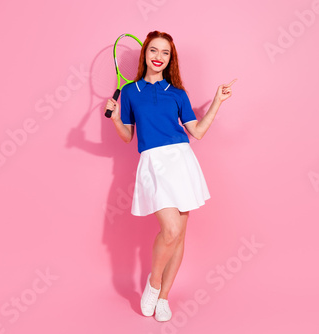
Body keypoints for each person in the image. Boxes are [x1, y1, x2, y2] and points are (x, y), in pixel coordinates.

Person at [105, 30, 236, 322]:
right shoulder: (130, 92)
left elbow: (197, 132)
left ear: (170, 59)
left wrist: (217, 101)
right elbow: (127, 136)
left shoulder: (177, 94)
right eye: (154, 51)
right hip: (153, 163)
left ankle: (163, 297)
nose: (159, 57)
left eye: (165, 53)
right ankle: (154, 282)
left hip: (182, 161)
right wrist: (115, 118)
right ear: (145, 54)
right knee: (171, 230)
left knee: (179, 236)